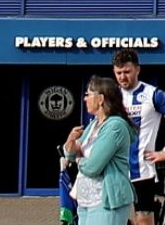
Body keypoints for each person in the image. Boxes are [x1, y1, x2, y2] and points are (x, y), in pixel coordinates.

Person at [108, 49, 165, 225]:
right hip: (116, 171)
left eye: (127, 72)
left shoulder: (153, 94)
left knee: (144, 220)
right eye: (118, 73)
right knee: (112, 219)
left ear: (138, 69)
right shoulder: (111, 96)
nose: (122, 77)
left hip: (142, 172)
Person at [61, 76, 136, 225]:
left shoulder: (115, 126)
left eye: (88, 94)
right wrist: (70, 141)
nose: (84, 99)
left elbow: (93, 167)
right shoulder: (94, 124)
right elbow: (69, 154)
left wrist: (78, 159)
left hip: (106, 203)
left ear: (100, 99)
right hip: (85, 202)